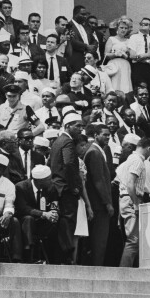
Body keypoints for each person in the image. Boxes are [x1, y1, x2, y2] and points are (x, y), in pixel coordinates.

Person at [49, 112, 84, 263]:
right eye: (77, 126)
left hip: (58, 187)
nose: (80, 129)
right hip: (65, 189)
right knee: (68, 222)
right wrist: (74, 186)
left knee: (62, 223)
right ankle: (66, 256)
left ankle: (60, 256)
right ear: (68, 126)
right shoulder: (68, 142)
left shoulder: (58, 141)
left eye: (82, 126)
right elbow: (69, 163)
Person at [116, 137, 150, 268]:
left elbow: (117, 176)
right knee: (133, 239)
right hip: (131, 198)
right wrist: (136, 203)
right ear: (149, 148)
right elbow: (131, 184)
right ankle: (124, 272)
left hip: (126, 198)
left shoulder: (129, 159)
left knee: (132, 239)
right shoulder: (138, 161)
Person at [83, 123, 114, 266]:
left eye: (109, 135)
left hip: (98, 204)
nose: (108, 137)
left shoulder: (100, 151)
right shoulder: (94, 152)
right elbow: (98, 180)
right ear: (96, 135)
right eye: (104, 135)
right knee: (99, 241)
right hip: (98, 204)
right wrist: (107, 203)